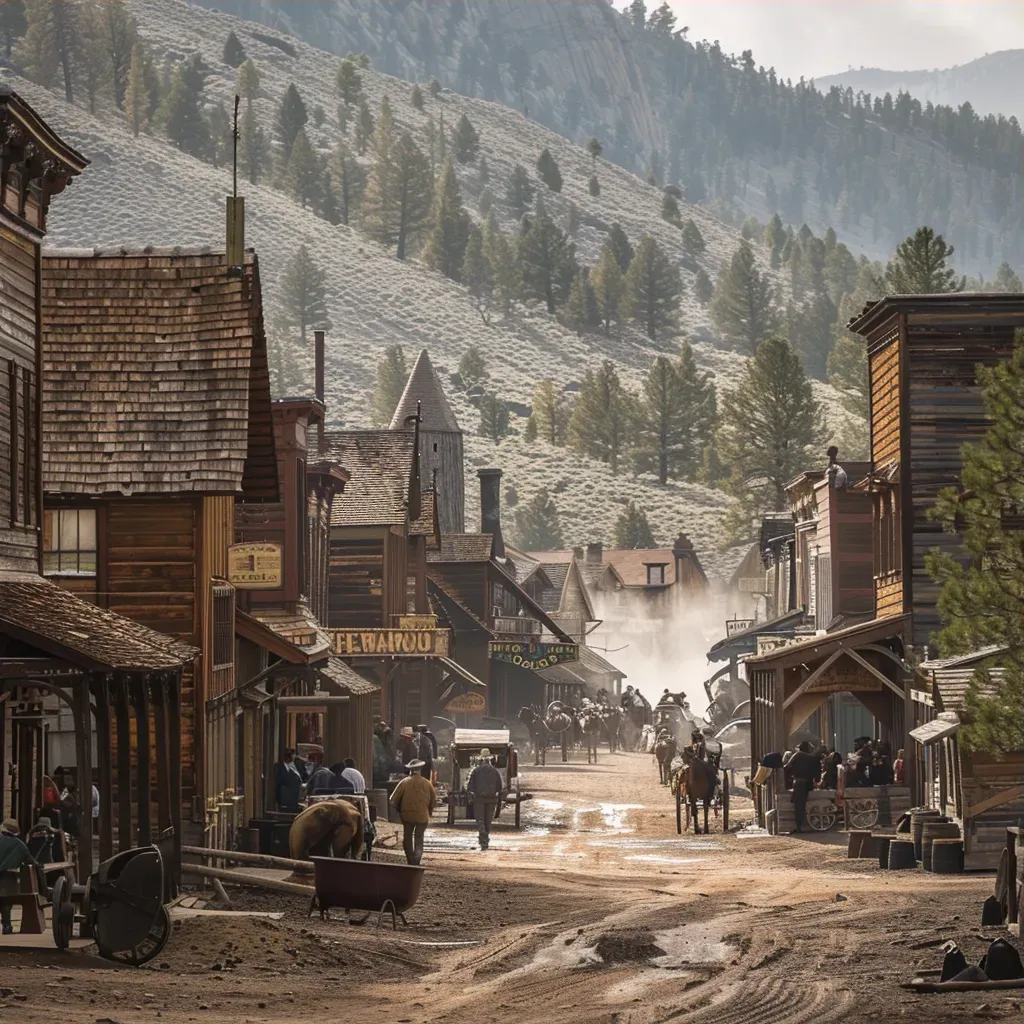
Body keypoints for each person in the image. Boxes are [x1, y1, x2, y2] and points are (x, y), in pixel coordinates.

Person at [0, 818, 46, 935]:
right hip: (9, 878)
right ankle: (6, 926)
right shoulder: (20, 845)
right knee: (6, 903)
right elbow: (31, 861)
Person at [389, 760, 436, 865]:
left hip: (407, 815)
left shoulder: (404, 782)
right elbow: (433, 801)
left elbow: (392, 799)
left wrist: (398, 809)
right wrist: (429, 811)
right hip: (422, 816)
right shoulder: (427, 783)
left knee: (408, 838)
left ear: (410, 770)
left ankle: (410, 860)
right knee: (419, 837)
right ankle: (417, 858)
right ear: (420, 770)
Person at [466, 750, 504, 851]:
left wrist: (471, 795)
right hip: (491, 800)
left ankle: (483, 836)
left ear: (481, 759)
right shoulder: (495, 771)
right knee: (488, 820)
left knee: (480, 819)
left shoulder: (476, 771)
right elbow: (500, 787)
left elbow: (470, 786)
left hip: (479, 799)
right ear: (490, 759)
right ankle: (485, 839)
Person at [783, 741, 819, 834]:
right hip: (808, 784)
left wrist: (787, 781)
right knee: (803, 804)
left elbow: (787, 768)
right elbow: (817, 774)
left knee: (799, 805)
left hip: (798, 784)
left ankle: (799, 826)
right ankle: (804, 825)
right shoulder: (812, 758)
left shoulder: (797, 755)